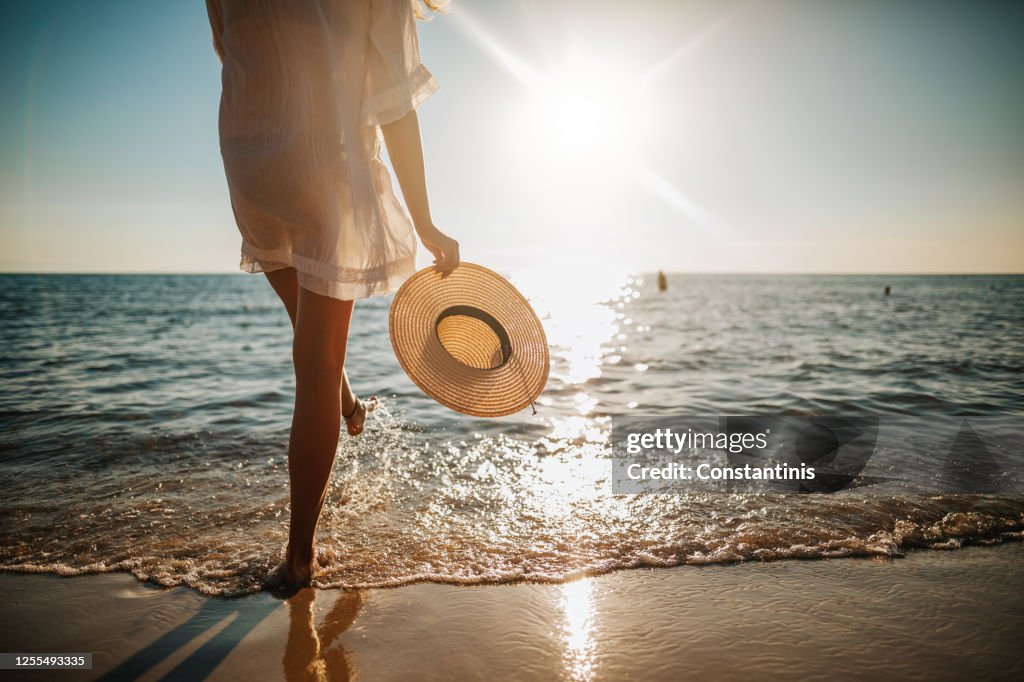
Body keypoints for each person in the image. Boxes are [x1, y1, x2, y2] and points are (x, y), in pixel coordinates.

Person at [205, 0, 459, 586]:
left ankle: (346, 401)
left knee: (309, 328)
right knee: (316, 364)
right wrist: (424, 222)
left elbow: (231, 49)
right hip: (322, 159)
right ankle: (300, 557)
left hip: (248, 157)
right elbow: (395, 103)